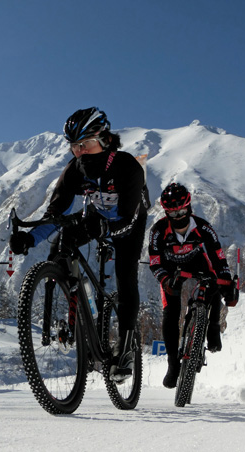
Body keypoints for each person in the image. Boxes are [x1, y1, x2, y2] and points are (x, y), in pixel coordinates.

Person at [9, 107, 150, 379]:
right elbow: (56, 214)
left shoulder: (128, 166)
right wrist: (29, 237)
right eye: (74, 146)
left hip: (129, 222)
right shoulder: (74, 170)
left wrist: (108, 226)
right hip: (97, 215)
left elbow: (129, 218)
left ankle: (126, 347)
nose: (79, 152)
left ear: (104, 139)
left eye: (85, 144)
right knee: (63, 239)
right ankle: (77, 304)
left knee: (125, 275)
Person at [148, 182, 238, 389]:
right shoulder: (158, 230)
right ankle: (172, 365)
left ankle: (213, 328)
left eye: (181, 210)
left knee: (213, 282)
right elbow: (154, 261)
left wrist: (227, 284)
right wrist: (164, 279)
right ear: (166, 212)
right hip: (171, 270)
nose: (178, 215)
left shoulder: (204, 227)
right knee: (170, 312)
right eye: (172, 212)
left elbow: (218, 256)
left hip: (198, 263)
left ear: (189, 207)